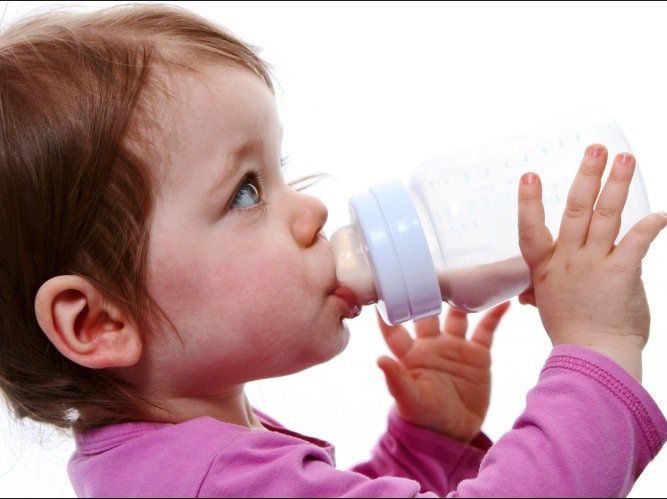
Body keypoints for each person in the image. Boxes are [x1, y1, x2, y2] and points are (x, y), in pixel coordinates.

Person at [0, 4, 664, 497]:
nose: (312, 209)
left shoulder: (173, 464)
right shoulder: (211, 482)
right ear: (100, 321)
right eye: (245, 192)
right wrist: (595, 346)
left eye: (279, 167)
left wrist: (426, 447)